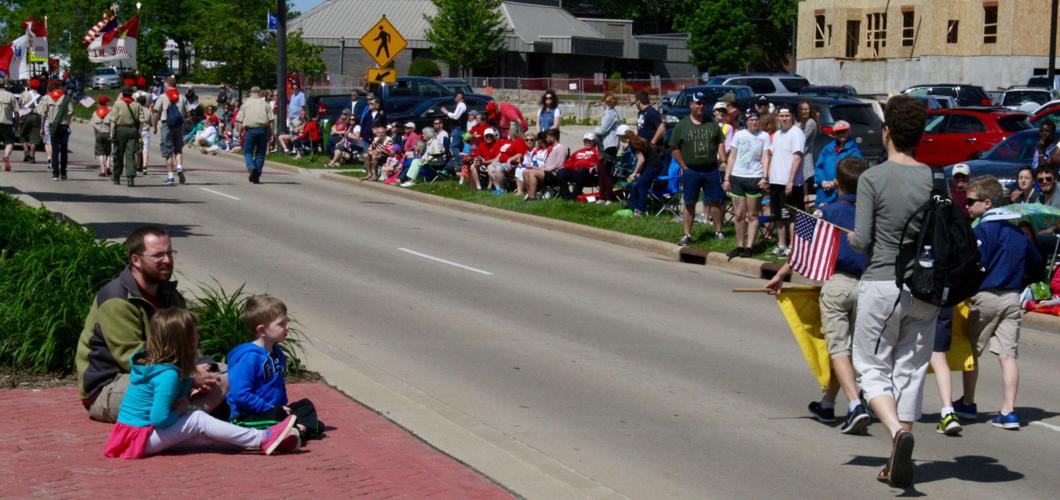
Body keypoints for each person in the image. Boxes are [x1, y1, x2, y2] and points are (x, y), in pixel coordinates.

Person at [847, 95, 937, 489]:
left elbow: (862, 239)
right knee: (911, 371)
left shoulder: (872, 178)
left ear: (887, 132)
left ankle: (897, 433)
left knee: (870, 367)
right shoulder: (932, 177)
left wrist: (850, 236)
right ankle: (897, 459)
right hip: (926, 286)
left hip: (885, 280)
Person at [764, 156, 872, 435]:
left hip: (837, 284)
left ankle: (855, 405)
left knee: (838, 349)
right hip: (867, 287)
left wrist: (780, 275)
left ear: (837, 182)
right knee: (849, 350)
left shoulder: (829, 211)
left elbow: (804, 248)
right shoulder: (871, 216)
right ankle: (827, 403)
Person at [75, 226, 227, 424]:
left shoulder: (170, 295)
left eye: (169, 253)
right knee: (166, 384)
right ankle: (187, 422)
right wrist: (188, 375)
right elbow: (133, 358)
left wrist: (199, 367)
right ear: (136, 260)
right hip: (111, 386)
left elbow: (189, 345)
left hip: (169, 374)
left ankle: (188, 416)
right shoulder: (116, 300)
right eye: (158, 255)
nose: (167, 260)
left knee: (227, 374)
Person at [103, 308, 300, 459]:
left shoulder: (162, 367)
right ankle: (263, 438)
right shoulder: (167, 375)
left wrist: (189, 384)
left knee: (206, 436)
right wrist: (181, 411)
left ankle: (263, 442)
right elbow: (159, 419)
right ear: (183, 341)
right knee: (197, 419)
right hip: (136, 440)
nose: (198, 336)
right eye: (194, 333)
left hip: (134, 437)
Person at [949, 176, 1044, 430]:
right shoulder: (1018, 233)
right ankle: (1008, 410)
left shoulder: (981, 231)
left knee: (971, 350)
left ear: (987, 203)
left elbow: (971, 265)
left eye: (971, 201)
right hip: (1012, 297)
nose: (967, 206)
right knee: (1008, 355)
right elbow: (1036, 264)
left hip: (986, 296)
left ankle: (968, 402)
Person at [226, 295, 325, 440]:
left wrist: (281, 408)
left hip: (275, 409)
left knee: (305, 406)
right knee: (289, 419)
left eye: (287, 322)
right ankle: (299, 430)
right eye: (281, 324)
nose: (287, 327)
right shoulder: (249, 358)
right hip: (247, 415)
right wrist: (270, 408)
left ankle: (296, 431)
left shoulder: (277, 353)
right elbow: (240, 394)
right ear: (262, 330)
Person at [671, 91, 726, 245]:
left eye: (703, 103)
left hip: (710, 169)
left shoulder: (711, 123)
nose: (701, 106)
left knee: (715, 201)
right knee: (689, 202)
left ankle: (718, 231)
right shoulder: (682, 125)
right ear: (691, 105)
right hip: (691, 171)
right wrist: (683, 166)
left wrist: (722, 158)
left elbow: (720, 140)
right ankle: (687, 234)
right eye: (698, 103)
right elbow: (674, 147)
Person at [724, 110, 771, 258]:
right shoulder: (739, 135)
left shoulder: (764, 137)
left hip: (754, 178)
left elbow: (765, 158)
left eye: (757, 119)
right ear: (747, 121)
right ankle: (740, 244)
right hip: (737, 177)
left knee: (752, 214)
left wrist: (765, 177)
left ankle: (750, 246)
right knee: (738, 214)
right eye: (751, 119)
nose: (754, 122)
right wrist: (726, 177)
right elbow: (732, 156)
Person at [762, 107, 806, 257]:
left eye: (787, 116)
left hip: (791, 183)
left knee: (791, 216)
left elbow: (797, 158)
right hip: (776, 182)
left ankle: (793, 246)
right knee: (779, 215)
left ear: (792, 117)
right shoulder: (777, 135)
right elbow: (772, 155)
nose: (784, 119)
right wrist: (767, 178)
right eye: (781, 116)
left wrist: (790, 181)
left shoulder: (797, 133)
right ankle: (781, 244)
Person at [813, 120, 863, 207]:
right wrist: (822, 182)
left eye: (843, 131)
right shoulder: (827, 148)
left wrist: (837, 183)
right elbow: (819, 167)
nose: (841, 134)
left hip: (842, 195)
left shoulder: (854, 151)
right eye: (838, 132)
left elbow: (856, 173)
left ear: (849, 131)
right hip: (824, 194)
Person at [151, 76, 190, 186]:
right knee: (178, 149)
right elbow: (188, 114)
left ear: (167, 85)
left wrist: (154, 126)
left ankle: (170, 176)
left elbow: (156, 113)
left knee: (168, 151)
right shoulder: (182, 97)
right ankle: (179, 167)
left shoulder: (162, 97)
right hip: (179, 125)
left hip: (166, 125)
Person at [236, 86, 275, 184]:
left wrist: (239, 132)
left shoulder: (246, 104)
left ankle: (252, 167)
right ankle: (257, 174)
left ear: (251, 93)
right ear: (259, 93)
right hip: (262, 130)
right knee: (260, 153)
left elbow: (239, 120)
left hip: (250, 130)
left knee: (248, 151)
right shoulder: (265, 104)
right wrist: (271, 134)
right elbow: (271, 120)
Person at [37, 80, 74, 180]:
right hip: (64, 126)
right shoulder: (67, 98)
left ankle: (55, 173)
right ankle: (63, 172)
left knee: (54, 150)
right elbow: (70, 113)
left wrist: (41, 128)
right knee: (64, 150)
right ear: (61, 87)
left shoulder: (48, 98)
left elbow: (43, 114)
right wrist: (67, 122)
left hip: (52, 126)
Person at [622, 125, 664, 216]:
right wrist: (639, 172)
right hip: (652, 165)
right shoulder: (638, 139)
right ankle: (633, 207)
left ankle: (640, 210)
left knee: (641, 185)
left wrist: (634, 173)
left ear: (623, 137)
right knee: (635, 184)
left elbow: (641, 160)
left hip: (654, 166)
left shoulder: (632, 144)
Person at [109, 87, 143, 187]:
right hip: (133, 130)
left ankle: (117, 176)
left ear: (123, 94)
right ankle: (130, 178)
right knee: (130, 154)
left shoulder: (117, 104)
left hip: (120, 130)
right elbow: (141, 120)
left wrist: (111, 133)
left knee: (118, 154)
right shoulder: (137, 105)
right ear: (131, 94)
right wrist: (139, 132)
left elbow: (113, 120)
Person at [525, 128, 568, 200]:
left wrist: (545, 169)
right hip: (547, 172)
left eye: (547, 137)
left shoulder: (561, 148)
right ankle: (530, 194)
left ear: (552, 137)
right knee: (526, 171)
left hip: (554, 175)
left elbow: (559, 165)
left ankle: (532, 197)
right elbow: (548, 163)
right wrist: (538, 168)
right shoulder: (553, 148)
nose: (546, 139)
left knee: (532, 173)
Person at [593, 92, 621, 204]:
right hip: (605, 145)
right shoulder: (608, 113)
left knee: (605, 172)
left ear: (607, 103)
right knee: (601, 172)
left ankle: (608, 197)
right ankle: (602, 197)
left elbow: (602, 130)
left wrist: (594, 130)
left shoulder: (610, 114)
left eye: (603, 102)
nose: (602, 104)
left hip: (609, 145)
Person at [557, 133, 602, 200]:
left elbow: (600, 164)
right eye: (585, 141)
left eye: (589, 141)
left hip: (589, 175)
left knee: (581, 170)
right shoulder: (578, 152)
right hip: (576, 172)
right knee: (561, 172)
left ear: (594, 142)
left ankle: (576, 195)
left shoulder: (597, 152)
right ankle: (565, 196)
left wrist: (595, 167)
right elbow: (568, 164)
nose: (587, 142)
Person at [797, 100, 819, 206]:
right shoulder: (801, 123)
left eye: (806, 109)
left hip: (805, 158)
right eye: (802, 109)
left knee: (804, 189)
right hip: (800, 157)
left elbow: (802, 138)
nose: (804, 111)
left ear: (810, 110)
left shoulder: (811, 122)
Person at [516, 131, 548, 197]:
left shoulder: (537, 150)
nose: (529, 141)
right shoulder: (527, 151)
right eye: (527, 140)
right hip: (532, 168)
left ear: (535, 141)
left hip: (538, 169)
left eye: (531, 140)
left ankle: (526, 191)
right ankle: (521, 191)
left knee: (523, 171)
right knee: (518, 169)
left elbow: (538, 163)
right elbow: (525, 163)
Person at [18, 79, 42, 164]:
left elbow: (20, 104)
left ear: (30, 86)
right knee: (34, 137)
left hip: (25, 115)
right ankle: (32, 156)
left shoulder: (24, 94)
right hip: (36, 116)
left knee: (22, 135)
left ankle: (26, 152)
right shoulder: (40, 97)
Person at [90, 95, 113, 177]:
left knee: (100, 153)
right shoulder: (110, 112)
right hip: (107, 133)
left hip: (99, 134)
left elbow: (93, 125)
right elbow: (112, 123)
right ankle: (108, 166)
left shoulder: (95, 113)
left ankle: (103, 170)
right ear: (106, 103)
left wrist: (96, 134)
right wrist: (111, 133)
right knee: (108, 152)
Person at [0, 79, 19, 172]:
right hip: (6, 122)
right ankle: (6, 155)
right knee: (9, 142)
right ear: (5, 85)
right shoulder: (10, 95)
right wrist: (17, 124)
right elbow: (16, 111)